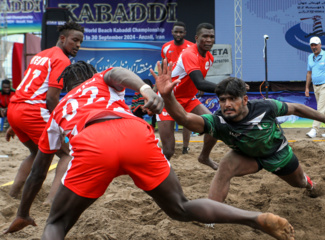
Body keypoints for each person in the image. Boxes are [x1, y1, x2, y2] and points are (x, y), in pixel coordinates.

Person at [5, 62, 295, 240]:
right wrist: (145, 90)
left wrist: (23, 212)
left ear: (66, 87)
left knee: (56, 222)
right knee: (180, 207)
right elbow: (119, 73)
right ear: (90, 75)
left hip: (94, 143)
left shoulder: (59, 111)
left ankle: (42, 222)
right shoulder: (100, 81)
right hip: (135, 134)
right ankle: (253, 219)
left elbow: (38, 174)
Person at [153, 60, 325, 205]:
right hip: (247, 156)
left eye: (232, 99)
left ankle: (310, 184)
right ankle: (211, 216)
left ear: (245, 100)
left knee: (299, 183)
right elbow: (185, 119)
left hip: (277, 155)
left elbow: (297, 108)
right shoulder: (218, 120)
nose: (227, 104)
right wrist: (167, 96)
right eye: (222, 100)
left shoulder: (265, 107)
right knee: (225, 167)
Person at [6, 21, 84, 202]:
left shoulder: (40, 55)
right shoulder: (62, 60)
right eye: (75, 40)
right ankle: (50, 202)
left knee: (36, 153)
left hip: (15, 109)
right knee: (68, 153)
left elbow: (28, 88)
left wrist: (14, 122)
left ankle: (12, 196)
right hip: (32, 112)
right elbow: (51, 99)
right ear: (62, 38)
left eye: (80, 41)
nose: (78, 45)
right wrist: (63, 124)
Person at [157, 22, 220, 170]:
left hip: (188, 98)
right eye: (205, 36)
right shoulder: (188, 53)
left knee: (215, 125)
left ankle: (204, 156)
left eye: (212, 37)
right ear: (197, 38)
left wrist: (203, 87)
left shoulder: (209, 57)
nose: (209, 40)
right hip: (168, 98)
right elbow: (200, 82)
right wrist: (230, 87)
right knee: (168, 150)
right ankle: (159, 172)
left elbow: (198, 82)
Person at [161, 21, 194, 154]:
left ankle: (185, 147)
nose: (178, 34)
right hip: (170, 88)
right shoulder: (165, 47)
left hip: (186, 87)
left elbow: (196, 68)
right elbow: (164, 67)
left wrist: (199, 84)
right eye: (176, 31)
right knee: (168, 118)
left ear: (185, 33)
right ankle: (170, 148)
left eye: (181, 32)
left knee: (187, 118)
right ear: (172, 32)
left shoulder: (191, 47)